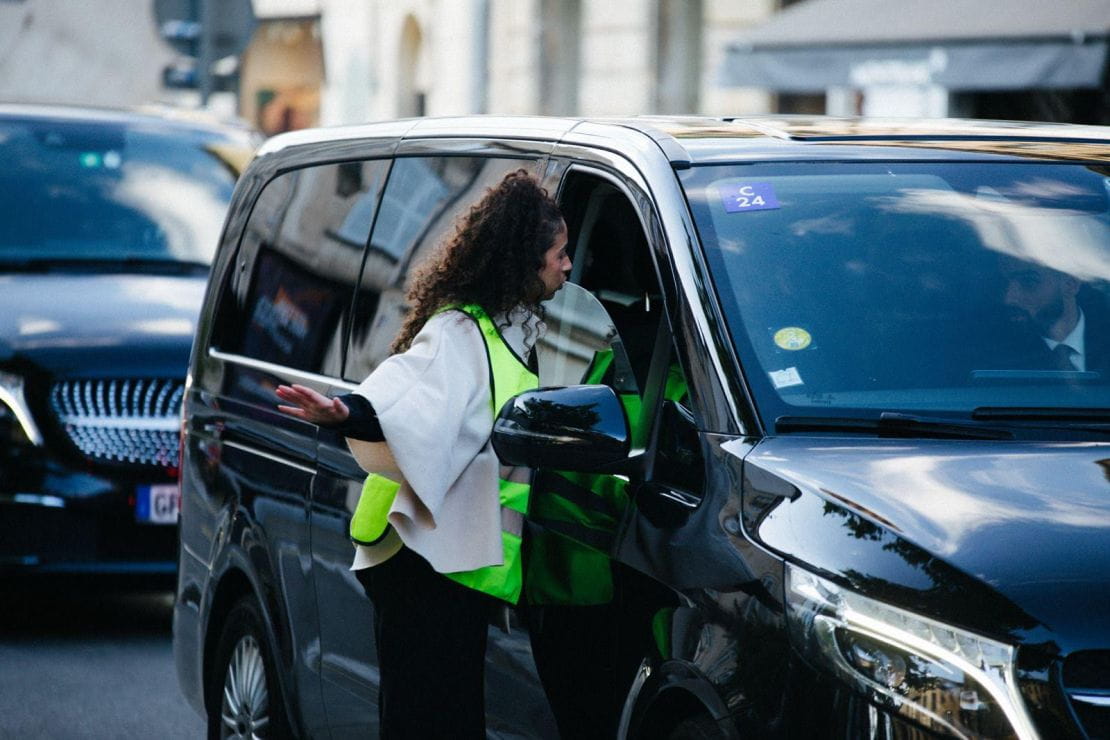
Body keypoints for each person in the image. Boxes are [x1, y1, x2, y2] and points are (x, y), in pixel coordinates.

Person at [275, 169, 570, 738]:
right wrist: (347, 412)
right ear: (522, 259)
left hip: (449, 565)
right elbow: (403, 391)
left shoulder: (516, 333)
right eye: (558, 253)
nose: (567, 265)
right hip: (424, 568)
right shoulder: (462, 332)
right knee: (429, 724)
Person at [999, 258, 1109, 373]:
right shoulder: (994, 355)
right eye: (1004, 284)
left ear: (1070, 284)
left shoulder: (1104, 332)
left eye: (1028, 281)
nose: (1009, 299)